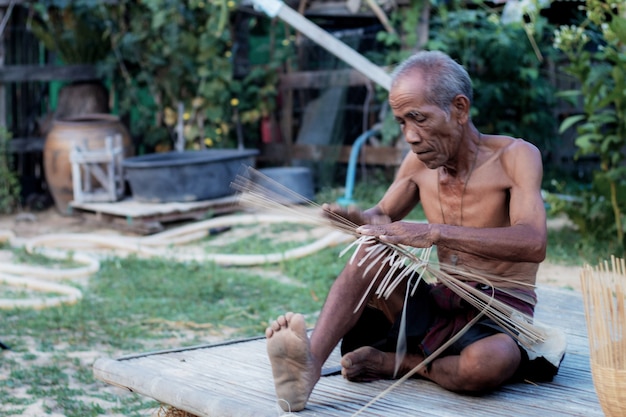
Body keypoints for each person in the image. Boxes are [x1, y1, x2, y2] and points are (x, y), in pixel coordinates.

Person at [265, 50, 563, 412]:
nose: (409, 136)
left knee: (490, 362)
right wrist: (357, 219)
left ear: (459, 109)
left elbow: (534, 242)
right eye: (402, 122)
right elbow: (383, 217)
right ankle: (306, 369)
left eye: (418, 119)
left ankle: (401, 363)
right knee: (372, 252)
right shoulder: (417, 163)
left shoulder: (515, 157)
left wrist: (433, 232)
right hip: (438, 306)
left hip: (498, 312)